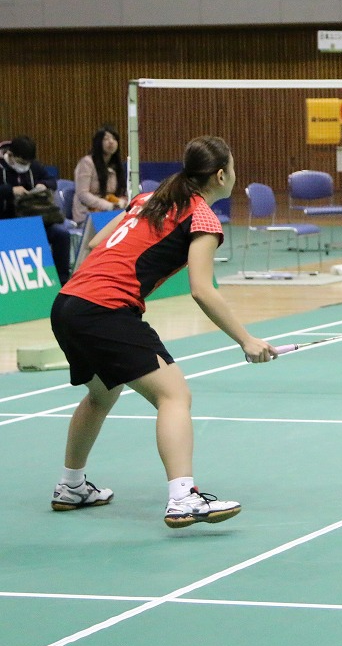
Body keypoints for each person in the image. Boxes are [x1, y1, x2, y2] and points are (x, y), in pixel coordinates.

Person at [48, 136, 275, 527]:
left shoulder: (147, 199)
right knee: (174, 395)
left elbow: (98, 242)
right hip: (105, 310)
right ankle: (183, 498)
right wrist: (247, 340)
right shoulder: (201, 217)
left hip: (68, 303)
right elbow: (202, 290)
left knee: (102, 394)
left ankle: (71, 486)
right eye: (234, 168)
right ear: (221, 175)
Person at [0, 135, 72, 285]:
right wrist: (10, 190)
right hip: (6, 222)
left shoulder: (34, 167)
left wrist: (44, 184)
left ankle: (62, 281)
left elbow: (52, 180)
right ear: (10, 155)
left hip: (34, 221)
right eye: (21, 162)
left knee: (62, 234)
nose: (25, 166)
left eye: (28, 163)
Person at [73, 125, 128, 225]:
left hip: (111, 213)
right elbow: (82, 194)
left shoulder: (116, 166)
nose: (111, 142)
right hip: (88, 214)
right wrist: (108, 206)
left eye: (114, 139)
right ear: (98, 142)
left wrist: (121, 202)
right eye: (106, 139)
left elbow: (120, 193)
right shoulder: (87, 163)